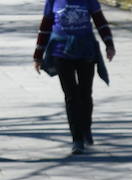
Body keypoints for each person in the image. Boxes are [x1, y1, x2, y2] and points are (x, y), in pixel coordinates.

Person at [32, 0, 115, 155]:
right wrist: (38, 55)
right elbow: (45, 27)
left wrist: (109, 44)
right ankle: (77, 139)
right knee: (71, 96)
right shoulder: (53, 1)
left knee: (85, 93)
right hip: (61, 52)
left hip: (86, 51)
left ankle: (86, 129)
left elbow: (100, 22)